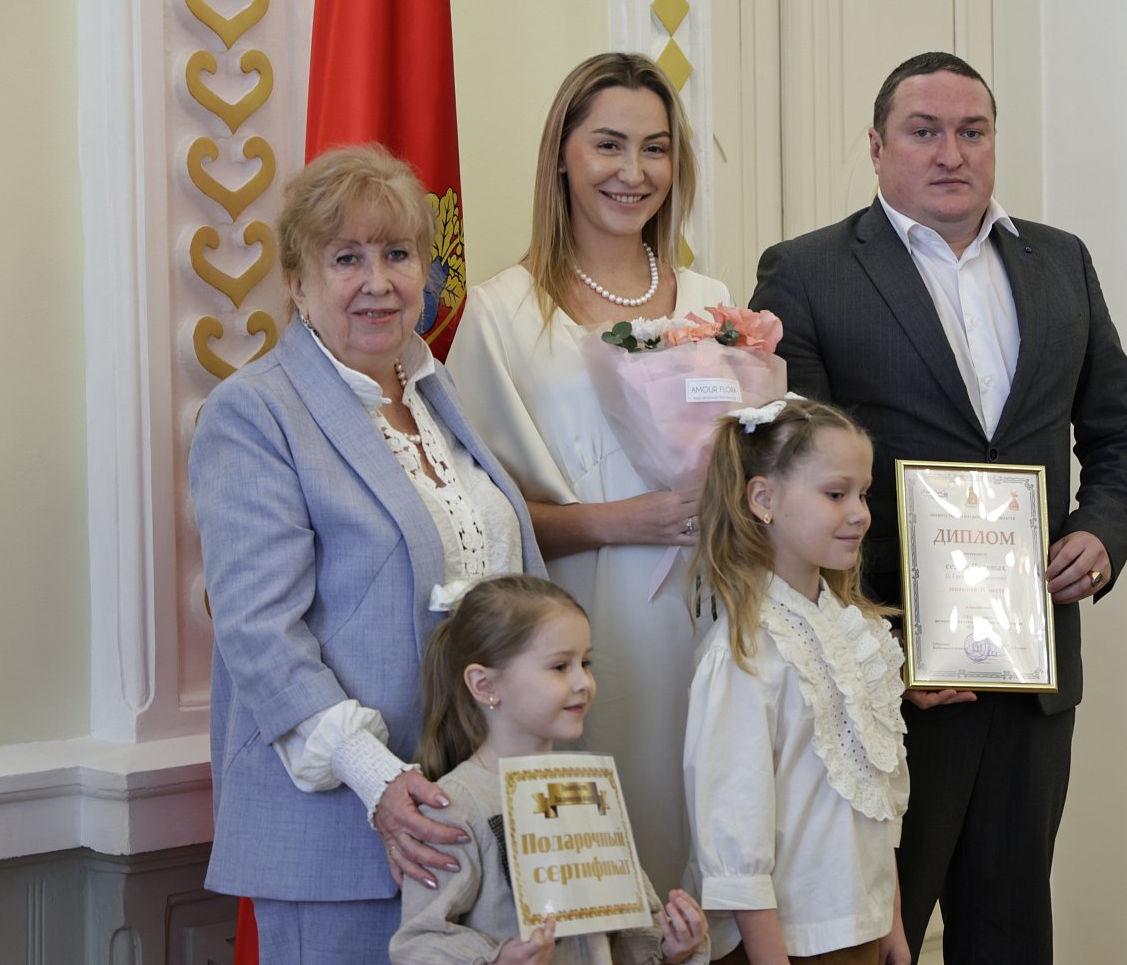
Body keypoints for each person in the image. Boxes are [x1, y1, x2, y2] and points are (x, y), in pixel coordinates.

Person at [750, 52, 1127, 963]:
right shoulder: (808, 272)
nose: (951, 153)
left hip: (1032, 675)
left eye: (971, 131)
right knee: (870, 939)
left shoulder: (1061, 262)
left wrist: (1101, 532)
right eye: (923, 131)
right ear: (876, 146)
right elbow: (783, 483)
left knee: (1012, 935)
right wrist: (871, 648)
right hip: (890, 681)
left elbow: (1126, 432)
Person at [189, 145, 545, 963]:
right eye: (346, 257)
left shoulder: (436, 393)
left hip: (476, 825)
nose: (378, 281)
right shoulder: (254, 413)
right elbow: (260, 634)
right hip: (346, 837)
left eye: (397, 253)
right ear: (297, 282)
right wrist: (379, 781)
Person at [446, 53, 731, 892]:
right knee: (599, 871)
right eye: (609, 145)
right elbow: (470, 515)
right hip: (570, 634)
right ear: (562, 156)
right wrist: (619, 521)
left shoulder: (713, 301)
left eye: (655, 148)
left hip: (707, 619)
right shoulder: (502, 312)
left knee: (708, 850)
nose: (633, 172)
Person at [683, 397, 909, 965]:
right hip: (786, 941)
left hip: (859, 927)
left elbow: (874, 798)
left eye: (863, 493)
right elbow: (734, 828)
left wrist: (891, 923)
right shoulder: (745, 650)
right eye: (836, 494)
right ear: (763, 499)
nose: (860, 513)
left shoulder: (854, 630)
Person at [390, 574, 710, 965]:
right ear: (485, 685)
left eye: (586, 663)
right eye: (560, 666)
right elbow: (418, 942)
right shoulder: (457, 805)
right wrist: (496, 960)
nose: (584, 682)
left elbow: (621, 935)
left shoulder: (590, 791)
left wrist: (671, 948)